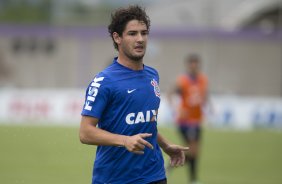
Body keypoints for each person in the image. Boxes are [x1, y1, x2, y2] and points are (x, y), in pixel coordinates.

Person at [79, 5, 189, 184]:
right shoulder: (104, 81)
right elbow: (85, 132)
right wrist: (124, 141)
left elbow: (146, 123)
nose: (140, 39)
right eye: (132, 34)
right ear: (117, 37)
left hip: (154, 176)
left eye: (144, 33)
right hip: (115, 179)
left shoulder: (153, 75)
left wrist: (165, 145)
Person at [168, 54, 208, 184]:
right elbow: (170, 94)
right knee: (192, 150)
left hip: (196, 120)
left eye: (196, 63)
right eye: (191, 63)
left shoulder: (202, 79)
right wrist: (176, 108)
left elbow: (204, 96)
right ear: (188, 65)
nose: (194, 66)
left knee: (194, 152)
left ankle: (172, 167)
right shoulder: (182, 80)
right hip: (185, 121)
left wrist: (208, 108)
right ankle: (193, 179)